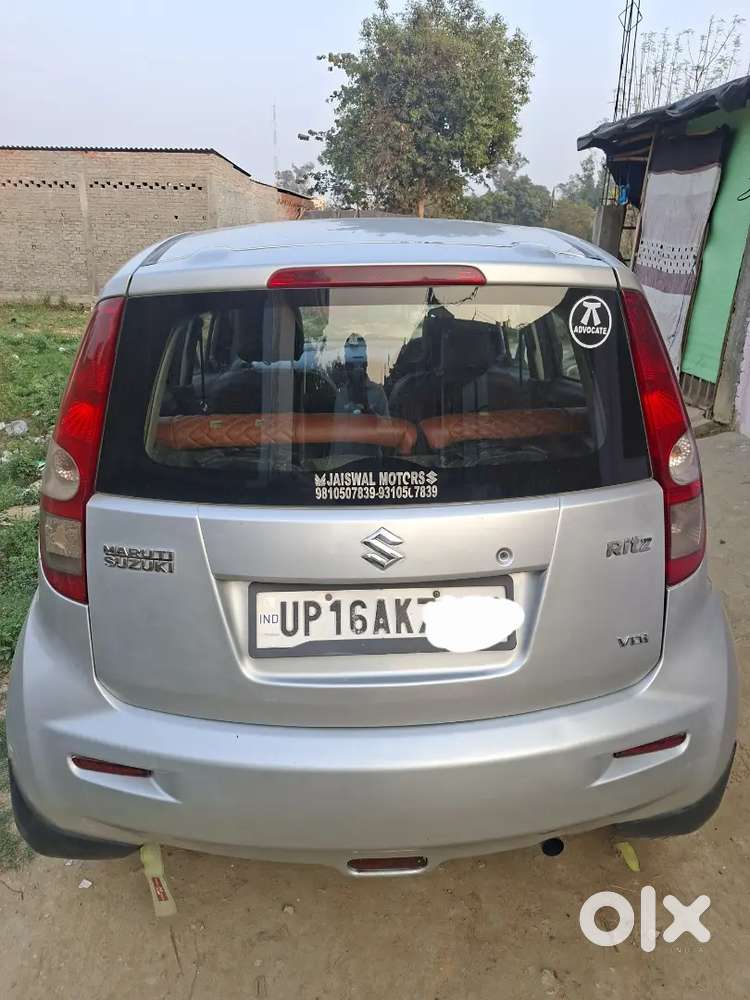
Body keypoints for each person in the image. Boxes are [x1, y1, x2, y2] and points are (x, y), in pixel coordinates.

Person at [335, 333, 389, 416]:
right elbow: (336, 426)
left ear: (365, 361)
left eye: (359, 358)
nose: (356, 365)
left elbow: (387, 427)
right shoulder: (342, 395)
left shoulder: (378, 393)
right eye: (351, 360)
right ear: (346, 362)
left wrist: (371, 415)